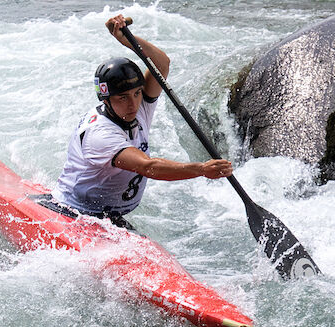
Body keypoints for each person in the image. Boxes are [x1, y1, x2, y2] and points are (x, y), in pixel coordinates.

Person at [51, 14, 233, 229]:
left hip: (107, 217)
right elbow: (148, 167)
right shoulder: (99, 133)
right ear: (106, 100)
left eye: (137, 93)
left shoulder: (137, 107)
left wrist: (126, 39)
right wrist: (201, 169)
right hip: (72, 211)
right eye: (123, 98)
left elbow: (161, 63)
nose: (133, 104)